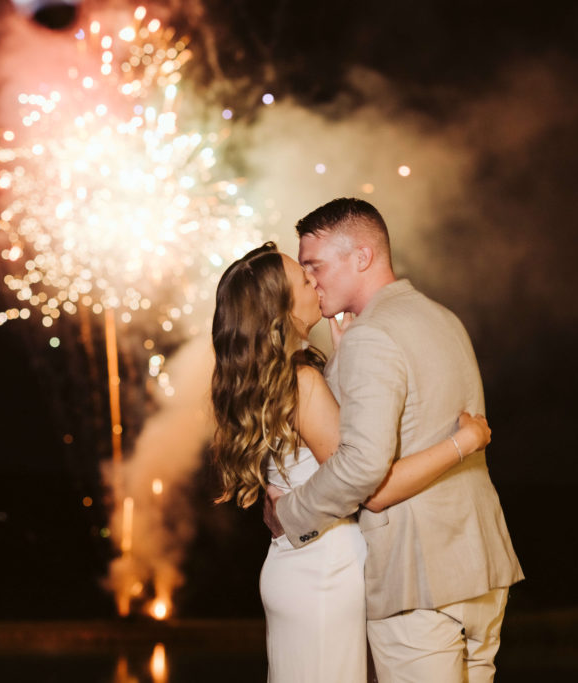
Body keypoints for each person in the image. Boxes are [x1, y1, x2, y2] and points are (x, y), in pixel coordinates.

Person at [266, 198, 524, 683]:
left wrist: (290, 515)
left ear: (361, 257)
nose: (311, 280)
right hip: (481, 566)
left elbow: (365, 471)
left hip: (418, 576)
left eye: (314, 265)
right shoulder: (443, 318)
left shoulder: (372, 336)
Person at [210, 241, 492, 683]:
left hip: (295, 566)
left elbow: (321, 451)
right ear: (280, 307)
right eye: (304, 279)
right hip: (326, 571)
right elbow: (367, 480)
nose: (315, 280)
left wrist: (341, 360)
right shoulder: (302, 381)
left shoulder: (275, 379)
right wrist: (465, 442)